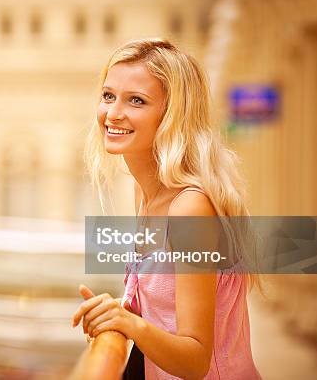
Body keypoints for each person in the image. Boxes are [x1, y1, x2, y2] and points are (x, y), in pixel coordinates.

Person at [71, 38, 261, 379]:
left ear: (172, 115)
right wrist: (117, 310)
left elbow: (195, 358)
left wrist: (130, 324)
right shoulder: (144, 193)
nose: (113, 113)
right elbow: (165, 309)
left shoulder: (189, 208)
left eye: (137, 101)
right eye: (108, 95)